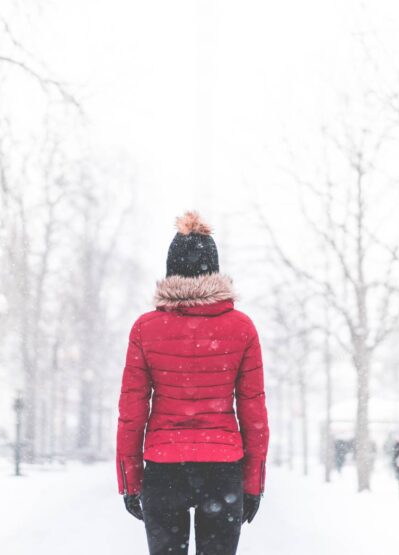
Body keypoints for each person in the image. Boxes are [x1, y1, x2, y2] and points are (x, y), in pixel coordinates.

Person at [116, 212, 270, 555]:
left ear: (170, 270)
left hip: (163, 468)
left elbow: (132, 410)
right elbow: (254, 411)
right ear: (214, 271)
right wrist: (253, 482)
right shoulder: (242, 328)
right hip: (223, 469)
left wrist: (130, 478)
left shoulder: (145, 329)